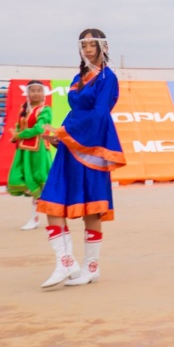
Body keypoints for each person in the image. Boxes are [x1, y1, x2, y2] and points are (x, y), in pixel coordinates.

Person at [37, 29, 126, 288]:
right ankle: (65, 262)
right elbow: (76, 110)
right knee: (52, 200)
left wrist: (65, 132)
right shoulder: (78, 77)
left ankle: (91, 267)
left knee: (92, 207)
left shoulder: (108, 77)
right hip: (71, 143)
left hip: (93, 145)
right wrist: (60, 136)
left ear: (103, 47)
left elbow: (100, 114)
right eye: (83, 44)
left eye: (91, 44)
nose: (87, 49)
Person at [8, 81, 54, 230]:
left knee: (38, 180)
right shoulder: (24, 108)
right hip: (24, 150)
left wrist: (21, 135)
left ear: (44, 93)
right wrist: (15, 135)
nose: (35, 93)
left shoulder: (45, 110)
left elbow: (39, 128)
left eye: (38, 90)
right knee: (21, 178)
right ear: (27, 93)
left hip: (38, 151)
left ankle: (37, 217)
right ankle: (37, 216)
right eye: (32, 90)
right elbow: (19, 125)